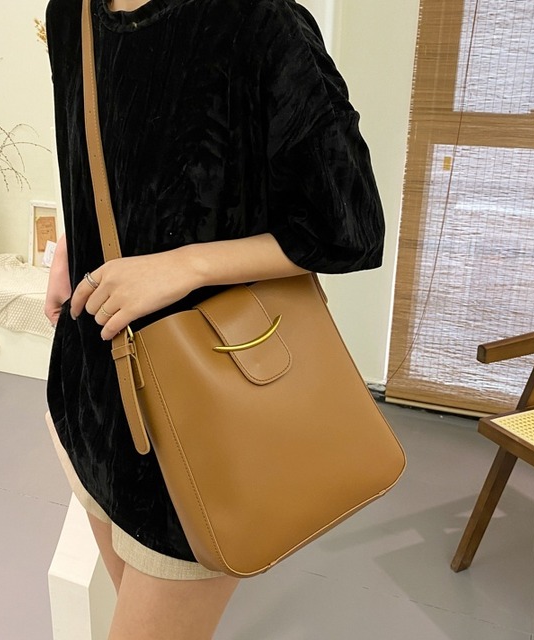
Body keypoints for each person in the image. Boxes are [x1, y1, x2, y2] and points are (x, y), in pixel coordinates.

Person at [43, 0, 385, 637]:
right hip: (90, 389)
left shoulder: (258, 21)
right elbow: (115, 150)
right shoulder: (72, 12)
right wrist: (74, 242)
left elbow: (349, 227)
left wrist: (187, 265)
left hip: (198, 421)